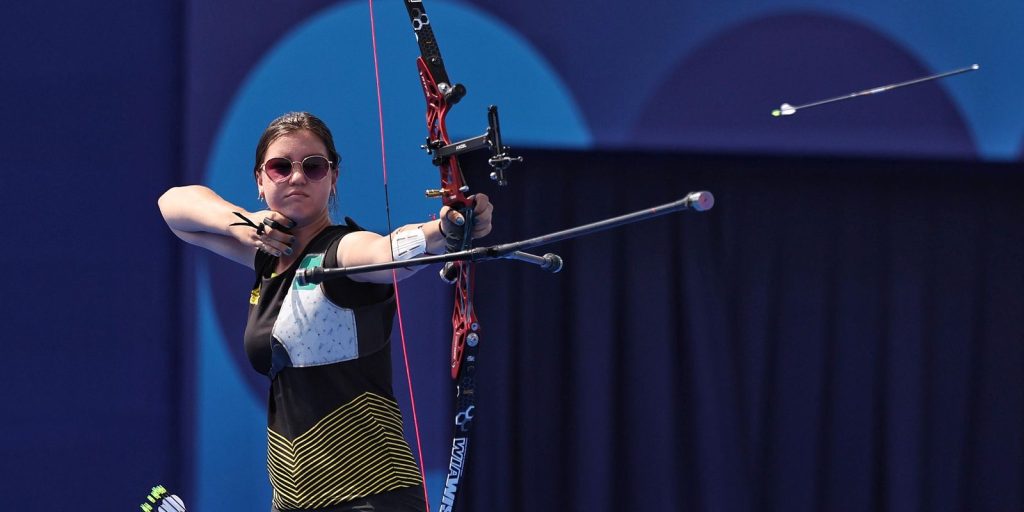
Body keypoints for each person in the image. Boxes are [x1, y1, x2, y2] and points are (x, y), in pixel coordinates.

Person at [158, 111, 493, 512]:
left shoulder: (342, 250)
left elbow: (385, 253)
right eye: (280, 167)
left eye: (313, 167)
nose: (297, 177)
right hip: (296, 501)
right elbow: (174, 208)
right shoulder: (267, 258)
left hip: (371, 496)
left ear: (333, 178)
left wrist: (443, 230)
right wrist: (241, 224)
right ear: (260, 181)